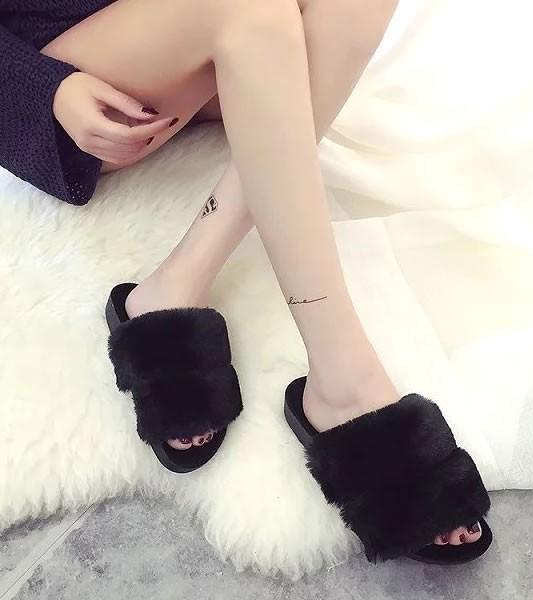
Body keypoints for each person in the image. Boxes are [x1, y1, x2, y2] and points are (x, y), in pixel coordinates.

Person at [1, 0, 490, 562]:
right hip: (72, 85)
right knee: (248, 12)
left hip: (187, 43)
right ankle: (343, 376)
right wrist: (46, 90)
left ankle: (180, 276)